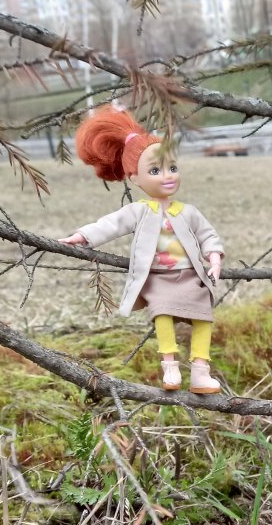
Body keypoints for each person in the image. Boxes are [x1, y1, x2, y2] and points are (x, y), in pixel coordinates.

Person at [60, 106, 224, 394]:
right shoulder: (138, 210)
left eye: (172, 168)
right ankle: (170, 366)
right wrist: (84, 235)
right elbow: (110, 224)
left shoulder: (188, 211)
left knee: (203, 319)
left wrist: (214, 255)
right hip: (158, 278)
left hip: (189, 276)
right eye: (155, 170)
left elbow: (208, 234)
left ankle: (201, 371)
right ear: (135, 178)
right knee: (162, 316)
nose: (167, 176)